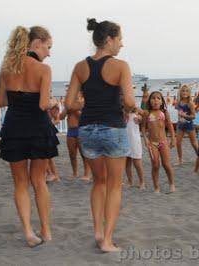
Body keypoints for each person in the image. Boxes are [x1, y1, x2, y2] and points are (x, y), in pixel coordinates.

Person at [65, 18, 135, 252]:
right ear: (109, 40)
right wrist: (133, 109)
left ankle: (97, 231)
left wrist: (90, 105)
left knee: (98, 182)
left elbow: (69, 103)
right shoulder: (121, 66)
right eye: (120, 39)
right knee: (115, 186)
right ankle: (107, 240)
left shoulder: (80, 67)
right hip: (112, 128)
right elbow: (129, 101)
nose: (122, 45)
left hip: (87, 130)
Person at [0, 26, 59, 247]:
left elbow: (1, 102)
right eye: (48, 47)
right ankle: (46, 231)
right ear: (37, 43)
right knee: (39, 182)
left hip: (14, 129)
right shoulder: (43, 69)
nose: (49, 53)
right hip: (38, 129)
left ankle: (28, 232)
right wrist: (54, 102)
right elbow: (43, 104)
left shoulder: (7, 67)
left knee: (20, 183)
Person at [142, 91, 176, 193]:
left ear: (162, 101)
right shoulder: (147, 113)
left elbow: (170, 126)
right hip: (152, 143)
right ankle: (156, 187)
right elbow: (143, 128)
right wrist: (145, 138)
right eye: (153, 98)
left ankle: (172, 184)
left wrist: (173, 139)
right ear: (150, 101)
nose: (155, 100)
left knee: (166, 164)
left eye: (158, 98)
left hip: (163, 142)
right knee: (155, 165)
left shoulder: (164, 113)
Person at [59, 93, 92, 180]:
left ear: (80, 94)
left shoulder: (83, 102)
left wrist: (74, 109)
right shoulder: (69, 104)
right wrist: (67, 109)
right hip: (70, 131)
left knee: (84, 154)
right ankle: (75, 173)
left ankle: (87, 174)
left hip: (80, 129)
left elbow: (83, 117)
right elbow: (61, 117)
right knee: (72, 154)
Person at [175, 85, 198, 165]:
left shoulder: (190, 103)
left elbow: (194, 116)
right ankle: (180, 160)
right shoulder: (178, 103)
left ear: (189, 93)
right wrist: (179, 121)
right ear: (180, 92)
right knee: (178, 143)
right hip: (180, 125)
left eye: (186, 91)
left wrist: (185, 116)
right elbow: (179, 113)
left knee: (194, 143)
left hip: (189, 125)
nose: (184, 92)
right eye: (183, 91)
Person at [125, 107, 145, 189]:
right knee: (127, 162)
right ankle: (130, 181)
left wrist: (141, 118)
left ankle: (142, 182)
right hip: (124, 139)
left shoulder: (135, 109)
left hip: (134, 139)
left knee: (137, 162)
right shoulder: (120, 109)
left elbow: (145, 114)